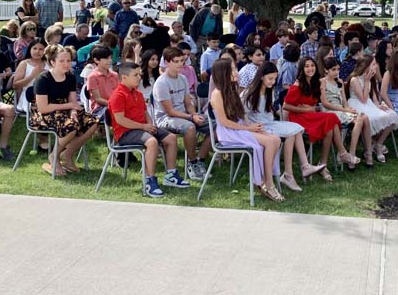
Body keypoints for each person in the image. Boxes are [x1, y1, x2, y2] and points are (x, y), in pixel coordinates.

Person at [109, 62, 189, 197]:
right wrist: (143, 127)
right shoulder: (118, 95)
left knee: (171, 138)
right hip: (125, 133)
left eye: (139, 74)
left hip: (142, 129)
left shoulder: (138, 94)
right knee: (152, 142)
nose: (139, 77)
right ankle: (149, 180)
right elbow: (120, 120)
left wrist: (150, 125)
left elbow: (145, 113)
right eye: (135, 75)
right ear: (124, 77)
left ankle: (171, 175)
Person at [242, 62, 326, 190]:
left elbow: (268, 111)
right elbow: (243, 115)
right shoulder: (249, 93)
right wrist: (250, 127)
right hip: (259, 126)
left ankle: (298, 170)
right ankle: (291, 173)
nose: (273, 82)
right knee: (292, 132)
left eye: (275, 79)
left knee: (295, 129)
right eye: (270, 78)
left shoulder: (269, 91)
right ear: (261, 77)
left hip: (270, 122)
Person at [210, 58, 284, 201]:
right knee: (269, 142)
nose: (236, 71)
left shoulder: (232, 89)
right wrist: (247, 128)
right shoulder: (217, 93)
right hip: (228, 132)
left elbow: (241, 114)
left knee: (275, 139)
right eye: (232, 69)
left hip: (239, 127)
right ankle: (268, 183)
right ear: (224, 72)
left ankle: (265, 179)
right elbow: (225, 122)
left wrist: (251, 126)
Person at [283, 57, 357, 181]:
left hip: (310, 115)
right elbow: (286, 106)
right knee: (331, 117)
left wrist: (312, 108)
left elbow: (314, 106)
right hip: (298, 118)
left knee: (330, 126)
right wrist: (306, 109)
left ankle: (323, 165)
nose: (310, 68)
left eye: (312, 65)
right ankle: (342, 153)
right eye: (306, 66)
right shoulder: (297, 85)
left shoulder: (314, 83)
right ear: (302, 68)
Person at [32, 45, 100, 175]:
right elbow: (43, 107)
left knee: (92, 122)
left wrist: (73, 111)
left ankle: (67, 154)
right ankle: (54, 156)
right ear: (52, 62)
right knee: (71, 126)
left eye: (68, 61)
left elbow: (72, 100)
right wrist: (70, 107)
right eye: (62, 61)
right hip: (44, 113)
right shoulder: (43, 79)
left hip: (66, 109)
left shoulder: (70, 77)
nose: (66, 64)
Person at [153, 47, 211, 181]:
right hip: (166, 118)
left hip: (184, 115)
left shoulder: (183, 78)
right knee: (190, 128)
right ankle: (192, 163)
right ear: (167, 63)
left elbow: (188, 104)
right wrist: (191, 117)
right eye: (176, 61)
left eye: (182, 61)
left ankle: (200, 159)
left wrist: (195, 115)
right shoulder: (161, 83)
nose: (180, 64)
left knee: (217, 125)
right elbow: (170, 111)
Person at [320, 58, 367, 170]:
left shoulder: (340, 82)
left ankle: (351, 152)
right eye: (333, 69)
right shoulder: (322, 82)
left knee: (361, 118)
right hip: (330, 111)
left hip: (341, 109)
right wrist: (344, 111)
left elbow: (344, 100)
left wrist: (348, 109)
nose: (336, 72)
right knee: (357, 118)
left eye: (338, 69)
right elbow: (325, 103)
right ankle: (344, 153)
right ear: (326, 70)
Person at [85, 45, 119, 119]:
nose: (110, 60)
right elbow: (98, 99)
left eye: (110, 58)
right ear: (96, 60)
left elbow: (118, 93)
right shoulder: (92, 77)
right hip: (100, 108)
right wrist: (113, 104)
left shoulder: (115, 75)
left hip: (115, 106)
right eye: (106, 58)